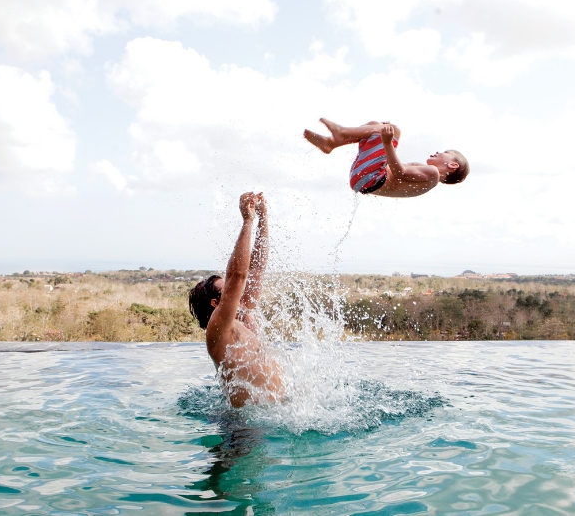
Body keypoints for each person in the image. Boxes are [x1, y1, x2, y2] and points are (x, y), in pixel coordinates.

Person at [188, 192, 284, 408]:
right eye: (228, 290)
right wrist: (247, 221)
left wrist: (263, 218)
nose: (237, 293)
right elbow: (237, 276)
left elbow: (256, 268)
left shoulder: (244, 314)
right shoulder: (218, 329)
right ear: (215, 303)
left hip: (274, 417)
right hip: (243, 432)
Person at [304, 118, 469, 197]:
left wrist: (387, 142)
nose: (438, 152)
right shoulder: (427, 177)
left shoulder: (433, 173)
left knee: (393, 129)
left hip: (371, 178)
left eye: (445, 152)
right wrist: (380, 132)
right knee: (375, 125)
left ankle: (340, 134)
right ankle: (331, 143)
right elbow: (395, 170)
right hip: (363, 181)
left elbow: (400, 172)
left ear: (452, 165)